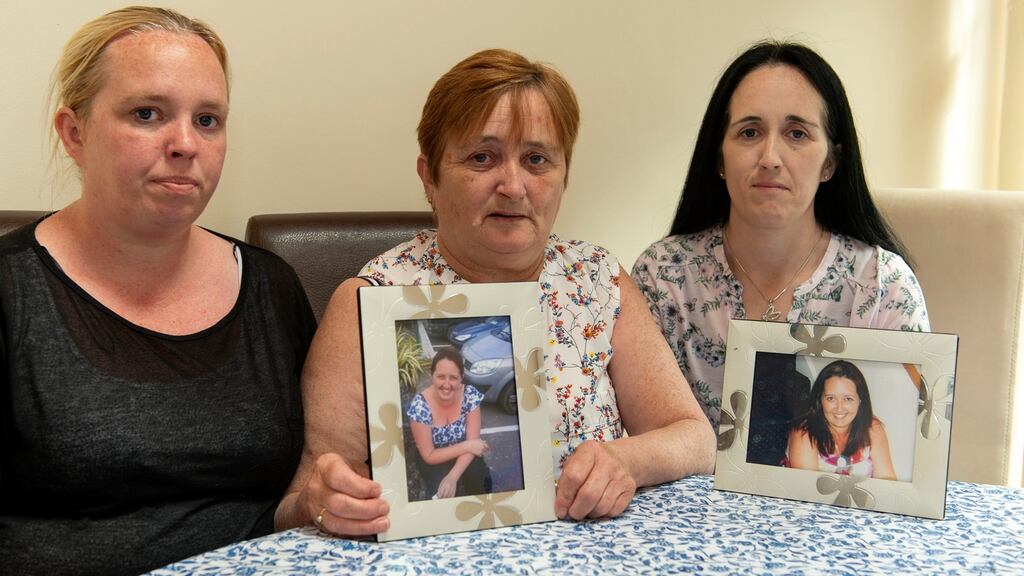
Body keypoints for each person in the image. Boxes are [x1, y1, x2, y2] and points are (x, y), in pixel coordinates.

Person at [275, 48, 715, 536]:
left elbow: (695, 438)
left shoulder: (597, 279)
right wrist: (322, 502)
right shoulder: (369, 301)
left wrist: (627, 460)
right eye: (482, 157)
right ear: (429, 177)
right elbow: (294, 503)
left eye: (537, 159)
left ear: (564, 174)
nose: (513, 184)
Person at [0, 8, 316, 574]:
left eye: (208, 120)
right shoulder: (10, 290)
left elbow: (303, 487)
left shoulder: (272, 287)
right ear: (75, 133)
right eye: (147, 114)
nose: (185, 144)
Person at [632, 41, 930, 429]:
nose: (770, 157)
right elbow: (647, 442)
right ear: (719, 158)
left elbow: (904, 455)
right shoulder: (663, 277)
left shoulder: (882, 286)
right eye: (750, 132)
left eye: (797, 134)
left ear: (830, 163)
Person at [785, 360, 896, 479]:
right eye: (831, 398)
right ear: (820, 399)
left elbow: (888, 480)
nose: (839, 408)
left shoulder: (872, 427)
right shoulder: (804, 434)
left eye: (848, 399)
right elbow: (806, 491)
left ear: (860, 400)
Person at [407, 348, 492, 500]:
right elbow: (429, 455)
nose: (446, 385)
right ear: (431, 375)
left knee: (479, 477)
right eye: (440, 377)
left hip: (465, 452)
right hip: (435, 456)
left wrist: (453, 477)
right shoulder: (420, 407)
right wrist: (467, 446)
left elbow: (473, 442)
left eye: (453, 378)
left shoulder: (469, 396)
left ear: (461, 379)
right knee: (440, 491)